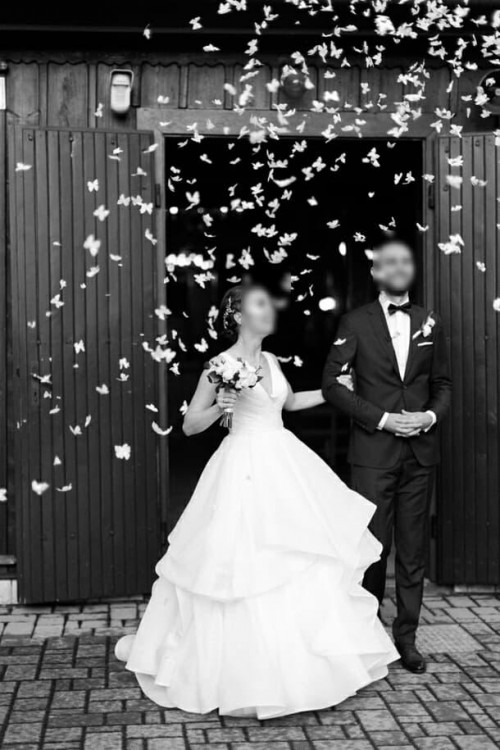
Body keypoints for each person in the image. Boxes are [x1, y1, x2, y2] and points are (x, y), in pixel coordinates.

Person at [115, 283, 398, 719]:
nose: (270, 311)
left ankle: (303, 670)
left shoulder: (270, 361)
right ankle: (242, 673)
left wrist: (335, 391)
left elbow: (289, 402)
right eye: (260, 305)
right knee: (244, 561)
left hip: (283, 462)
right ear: (238, 315)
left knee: (301, 553)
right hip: (242, 466)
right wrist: (220, 406)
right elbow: (190, 425)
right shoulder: (219, 366)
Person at [322, 239, 451, 674]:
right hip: (373, 453)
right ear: (376, 272)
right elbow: (332, 385)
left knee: (413, 550)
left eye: (404, 261)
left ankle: (407, 638)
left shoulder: (430, 320)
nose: (398, 267)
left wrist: (429, 416)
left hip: (420, 453)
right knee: (374, 548)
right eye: (389, 262)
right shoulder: (354, 322)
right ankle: (369, 633)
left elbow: (443, 384)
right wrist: (382, 420)